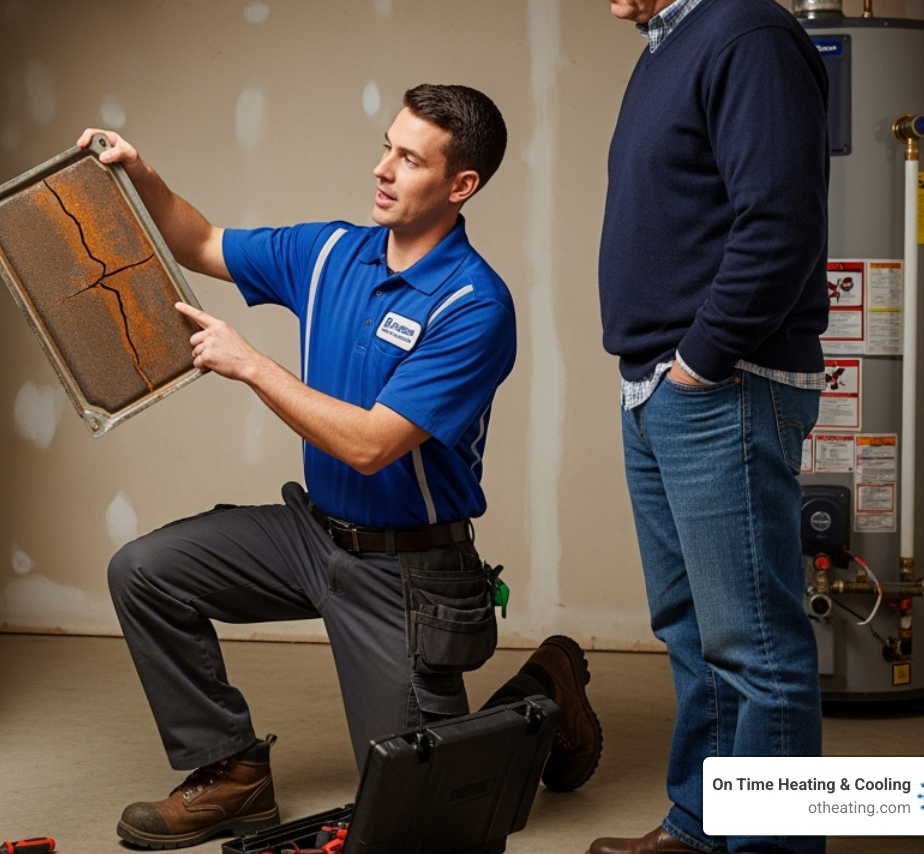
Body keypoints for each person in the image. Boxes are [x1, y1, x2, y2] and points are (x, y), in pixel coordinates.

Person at [82, 84, 603, 851]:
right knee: (145, 569)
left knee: (427, 809)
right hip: (309, 534)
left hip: (408, 570)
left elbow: (369, 444)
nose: (383, 169)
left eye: (409, 159)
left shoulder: (473, 306)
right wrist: (141, 176)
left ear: (462, 186)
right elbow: (202, 242)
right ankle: (231, 774)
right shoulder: (331, 251)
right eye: (387, 146)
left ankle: (544, 690)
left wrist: (250, 366)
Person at [564, 0, 829, 854]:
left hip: (720, 383)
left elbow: (778, 227)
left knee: (756, 650)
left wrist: (697, 362)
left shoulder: (749, 39)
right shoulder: (673, 42)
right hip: (663, 386)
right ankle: (698, 828)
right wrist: (662, 376)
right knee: (696, 635)